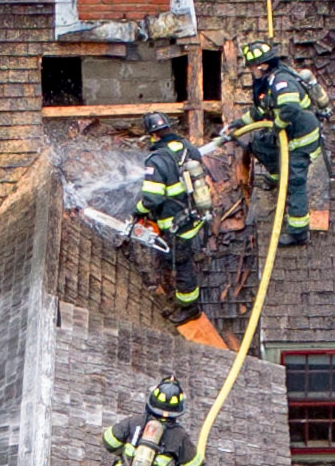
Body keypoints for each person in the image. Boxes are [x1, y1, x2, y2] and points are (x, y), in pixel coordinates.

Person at [228, 38, 321, 248]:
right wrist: (239, 123)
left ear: (261, 65)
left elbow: (290, 109)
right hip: (286, 133)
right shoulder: (268, 82)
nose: (251, 71)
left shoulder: (281, 82)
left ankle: (299, 233)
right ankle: (277, 175)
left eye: (252, 67)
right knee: (259, 144)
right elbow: (261, 109)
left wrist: (278, 125)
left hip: (300, 139)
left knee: (295, 183)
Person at [134, 112, 209, 318]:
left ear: (153, 135)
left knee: (182, 265)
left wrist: (138, 210)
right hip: (194, 215)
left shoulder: (156, 160)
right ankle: (181, 297)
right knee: (182, 258)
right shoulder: (187, 147)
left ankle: (189, 308)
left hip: (176, 223)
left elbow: (152, 199)